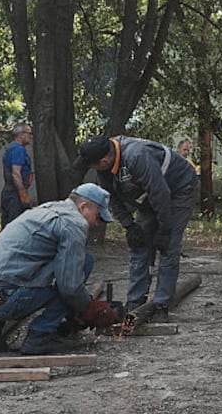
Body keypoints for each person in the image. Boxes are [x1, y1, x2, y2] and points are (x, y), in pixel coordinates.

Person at [0, 183, 120, 355]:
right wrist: (90, 309)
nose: (97, 223)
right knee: (82, 266)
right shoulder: (73, 223)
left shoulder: (44, 210)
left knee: (61, 275)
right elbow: (70, 288)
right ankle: (40, 336)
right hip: (5, 297)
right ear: (84, 207)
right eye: (98, 216)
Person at [76, 134, 198, 323]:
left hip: (178, 189)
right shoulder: (105, 167)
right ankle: (135, 301)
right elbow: (111, 198)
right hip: (149, 196)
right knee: (140, 244)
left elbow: (161, 193)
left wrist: (165, 230)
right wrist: (129, 225)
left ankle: (161, 304)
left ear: (104, 160)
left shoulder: (137, 156)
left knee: (168, 248)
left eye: (92, 165)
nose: (92, 169)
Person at [0, 122, 35, 228]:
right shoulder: (18, 150)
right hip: (14, 194)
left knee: (8, 225)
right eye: (29, 133)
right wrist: (23, 194)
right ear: (21, 134)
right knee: (15, 226)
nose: (31, 136)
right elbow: (16, 173)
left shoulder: (12, 148)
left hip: (9, 192)